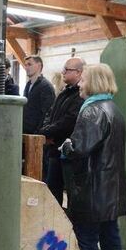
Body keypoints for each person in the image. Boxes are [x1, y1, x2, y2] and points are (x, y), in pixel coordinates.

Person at [59, 63, 126, 250]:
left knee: (87, 242)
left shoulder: (91, 112)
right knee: (111, 238)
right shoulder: (114, 110)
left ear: (94, 82)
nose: (79, 83)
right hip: (111, 189)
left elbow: (79, 148)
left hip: (92, 190)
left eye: (84, 79)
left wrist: (66, 145)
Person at [40, 57, 85, 206]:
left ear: (79, 73)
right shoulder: (64, 93)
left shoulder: (80, 95)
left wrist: (47, 132)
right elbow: (50, 113)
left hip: (67, 152)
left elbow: (69, 121)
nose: (63, 72)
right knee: (52, 191)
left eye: (67, 69)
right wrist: (45, 131)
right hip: (54, 149)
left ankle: (71, 226)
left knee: (72, 193)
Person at [22, 55, 55, 135]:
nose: (26, 67)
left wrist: (40, 132)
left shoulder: (45, 86)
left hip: (36, 133)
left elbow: (47, 112)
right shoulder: (28, 85)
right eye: (25, 65)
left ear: (39, 65)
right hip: (26, 131)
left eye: (29, 64)